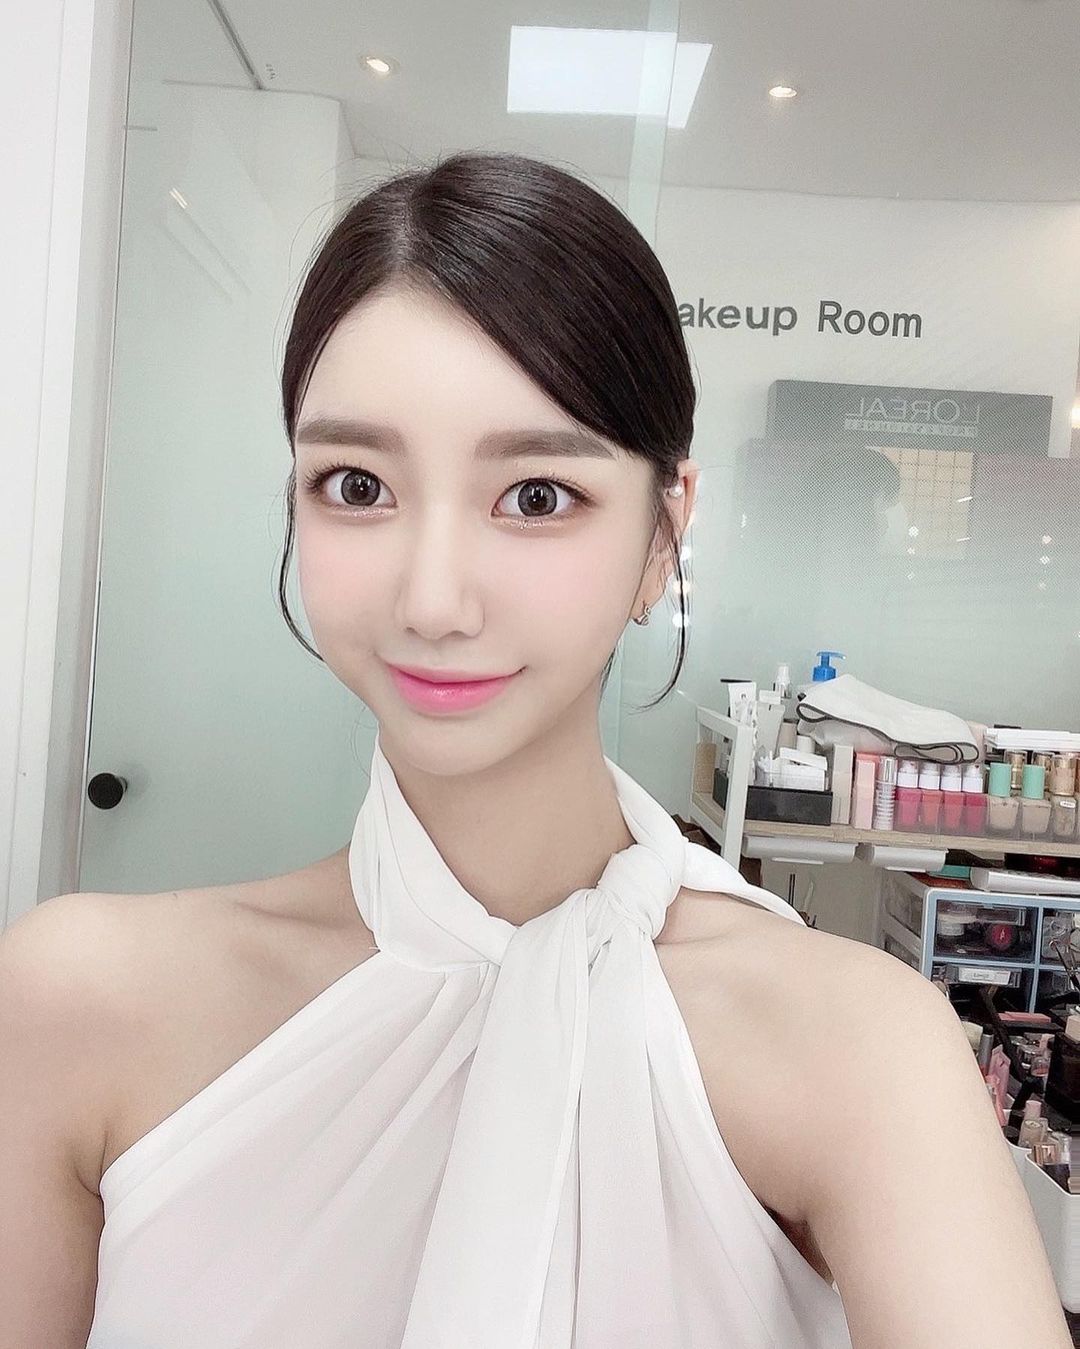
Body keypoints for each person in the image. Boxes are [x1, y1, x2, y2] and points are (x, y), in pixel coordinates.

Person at [0, 151, 1070, 1349]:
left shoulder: (855, 1047)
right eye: (356, 484)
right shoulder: (78, 999)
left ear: (664, 534)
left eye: (537, 496)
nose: (434, 598)